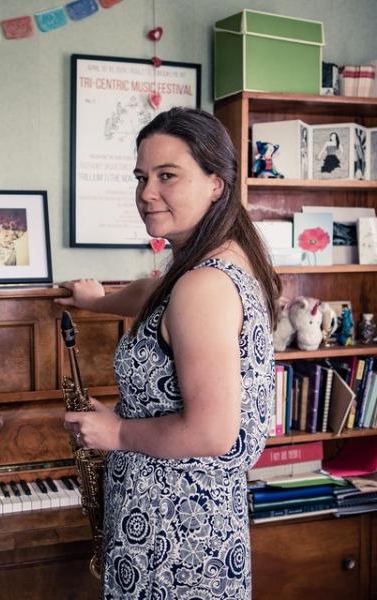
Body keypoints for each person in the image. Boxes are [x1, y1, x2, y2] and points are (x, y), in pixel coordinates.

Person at [57, 107, 281, 599]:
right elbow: (152, 291)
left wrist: (115, 430)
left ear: (215, 183)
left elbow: (209, 431)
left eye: (167, 176)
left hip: (172, 537)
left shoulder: (202, 285)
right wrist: (97, 301)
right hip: (194, 524)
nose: (146, 193)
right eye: (141, 177)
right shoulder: (219, 258)